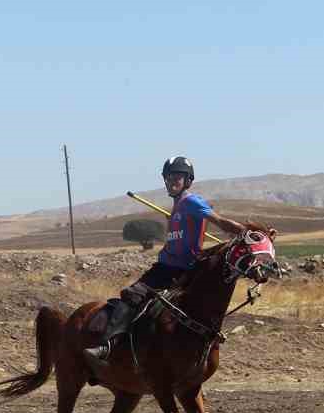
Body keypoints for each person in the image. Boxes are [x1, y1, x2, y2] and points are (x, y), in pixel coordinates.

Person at [83, 157, 248, 371]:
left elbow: (222, 223)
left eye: (177, 176)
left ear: (188, 180)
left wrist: (250, 234)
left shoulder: (191, 202)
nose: (171, 181)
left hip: (175, 270)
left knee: (131, 296)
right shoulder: (177, 207)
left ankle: (107, 348)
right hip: (168, 267)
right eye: (168, 177)